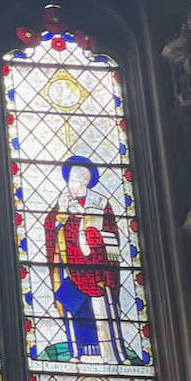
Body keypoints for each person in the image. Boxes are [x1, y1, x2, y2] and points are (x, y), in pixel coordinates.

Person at [44, 156, 126, 363]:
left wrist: (93, 238)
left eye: (75, 179)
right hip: (71, 269)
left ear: (85, 181)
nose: (71, 183)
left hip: (97, 269)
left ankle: (108, 353)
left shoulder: (100, 203)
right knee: (74, 307)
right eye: (70, 178)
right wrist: (62, 214)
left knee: (100, 308)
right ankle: (78, 352)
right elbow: (50, 226)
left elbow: (112, 236)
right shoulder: (62, 202)